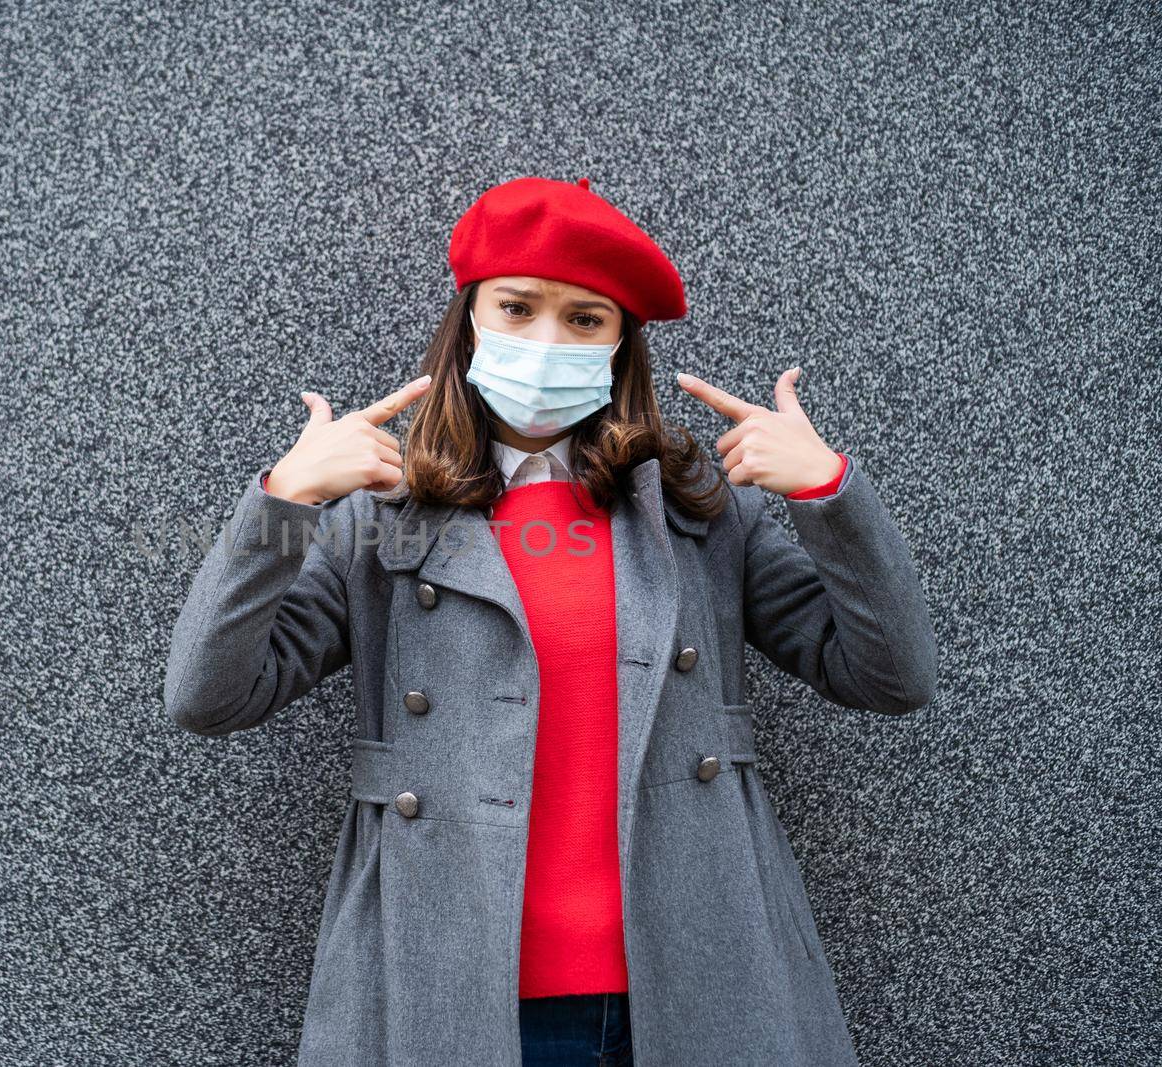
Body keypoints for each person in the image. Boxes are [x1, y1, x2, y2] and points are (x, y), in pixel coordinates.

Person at [164, 176, 938, 1067]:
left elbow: (892, 675)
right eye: (518, 307)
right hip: (448, 981)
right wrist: (284, 503)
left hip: (695, 976)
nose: (545, 342)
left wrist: (828, 494)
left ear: (620, 346)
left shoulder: (700, 509)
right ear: (469, 323)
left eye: (584, 320)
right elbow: (207, 695)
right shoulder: (379, 513)